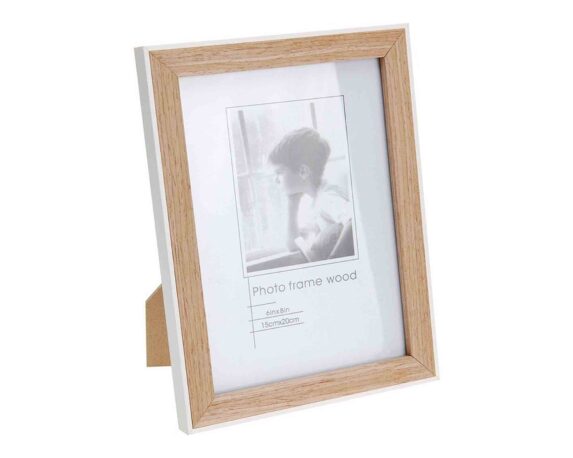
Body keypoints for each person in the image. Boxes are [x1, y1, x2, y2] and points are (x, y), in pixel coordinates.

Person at [268, 127, 354, 262]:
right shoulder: (315, 200)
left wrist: (334, 260)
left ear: (303, 171)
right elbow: (292, 246)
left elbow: (353, 220)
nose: (275, 180)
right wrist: (292, 204)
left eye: (279, 172)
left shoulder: (327, 197)